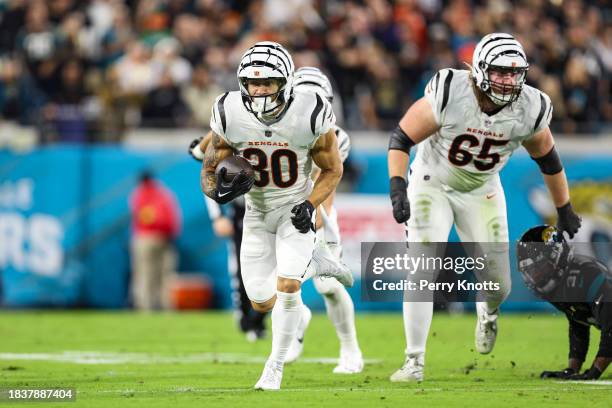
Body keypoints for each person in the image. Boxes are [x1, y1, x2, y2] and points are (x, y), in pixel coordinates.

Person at [386, 33, 582, 382]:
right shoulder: (451, 90)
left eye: (514, 73)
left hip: (482, 189)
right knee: (422, 267)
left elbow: (549, 162)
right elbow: (401, 138)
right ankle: (413, 360)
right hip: (432, 182)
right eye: (499, 72)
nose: (508, 81)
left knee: (498, 285)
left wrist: (563, 207)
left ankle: (487, 312)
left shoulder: (530, 107)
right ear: (478, 70)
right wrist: (398, 186)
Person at [191, 41, 352, 390]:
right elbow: (208, 168)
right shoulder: (228, 110)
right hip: (256, 213)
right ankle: (318, 264)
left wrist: (310, 205)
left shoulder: (310, 111)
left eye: (268, 82)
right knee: (262, 302)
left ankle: (274, 368)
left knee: (289, 285)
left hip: (293, 208)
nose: (260, 90)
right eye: (253, 82)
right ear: (242, 83)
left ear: (286, 82)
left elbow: (333, 169)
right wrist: (217, 191)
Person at [282, 66, 363, 373]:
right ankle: (298, 317)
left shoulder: (336, 137)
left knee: (329, 286)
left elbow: (324, 188)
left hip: (315, 212)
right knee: (269, 283)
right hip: (281, 213)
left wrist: (315, 223)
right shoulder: (274, 128)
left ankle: (350, 348)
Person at [517, 225, 611, 380]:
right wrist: (572, 369)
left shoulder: (586, 275)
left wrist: (595, 371)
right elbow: (579, 321)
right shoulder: (561, 284)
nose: (535, 275)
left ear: (557, 256)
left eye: (539, 267)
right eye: (530, 270)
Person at [205, 195, 268, 342]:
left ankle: (258, 318)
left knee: (274, 268)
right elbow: (209, 176)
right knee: (243, 266)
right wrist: (218, 216)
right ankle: (247, 316)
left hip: (274, 208)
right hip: (243, 211)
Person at [129, 170, 182, 311]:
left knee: (144, 274)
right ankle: (166, 307)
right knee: (166, 275)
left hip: (145, 237)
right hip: (165, 237)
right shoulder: (163, 193)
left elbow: (140, 216)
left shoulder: (139, 194)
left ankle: (145, 307)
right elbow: (173, 217)